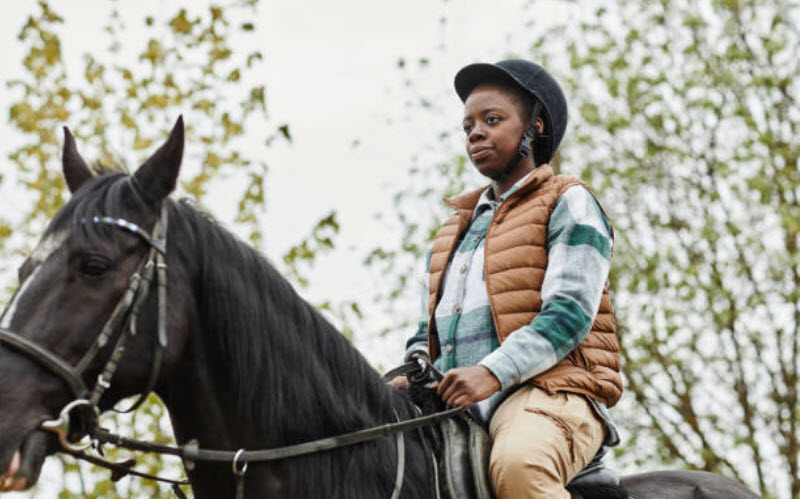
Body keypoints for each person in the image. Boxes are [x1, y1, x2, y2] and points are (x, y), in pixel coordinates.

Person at [390, 59, 623, 499]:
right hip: (461, 405)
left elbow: (569, 315)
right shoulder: (452, 230)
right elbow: (428, 330)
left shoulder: (569, 201)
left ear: (534, 127)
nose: (475, 133)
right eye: (468, 126)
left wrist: (490, 372)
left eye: (492, 120)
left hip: (552, 392)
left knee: (519, 465)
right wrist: (414, 369)